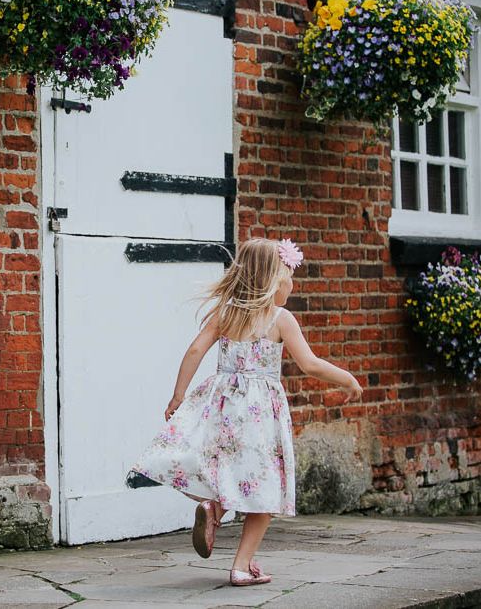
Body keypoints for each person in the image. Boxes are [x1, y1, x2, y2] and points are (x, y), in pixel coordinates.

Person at [127, 237, 363, 587]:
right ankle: (240, 565)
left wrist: (178, 396)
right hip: (260, 413)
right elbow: (310, 364)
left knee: (226, 468)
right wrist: (348, 380)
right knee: (263, 488)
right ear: (273, 281)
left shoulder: (225, 312)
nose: (291, 286)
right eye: (288, 279)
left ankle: (215, 508)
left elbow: (195, 350)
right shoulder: (281, 319)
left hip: (223, 405)